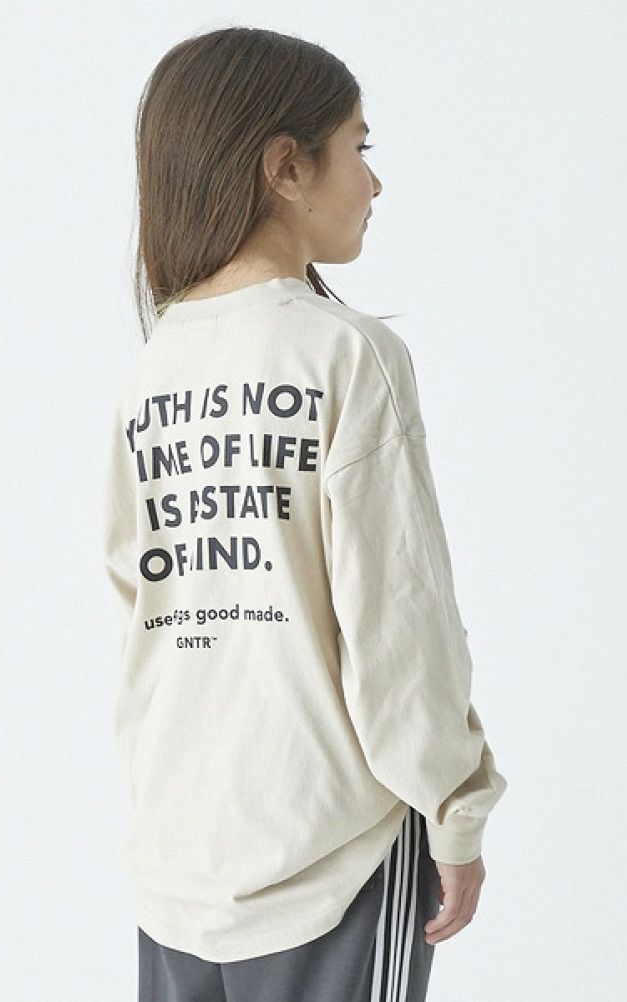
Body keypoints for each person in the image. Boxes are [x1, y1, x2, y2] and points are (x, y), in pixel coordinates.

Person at [101, 25, 509, 1002]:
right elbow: (397, 622)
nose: (375, 181)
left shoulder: (154, 371)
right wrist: (455, 811)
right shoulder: (346, 354)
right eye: (359, 147)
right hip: (333, 856)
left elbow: (143, 613)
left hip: (181, 860)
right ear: (287, 167)